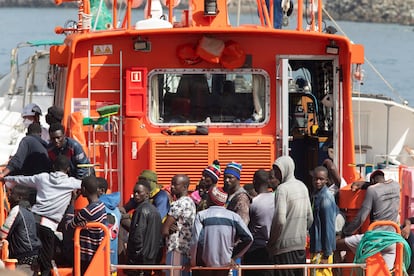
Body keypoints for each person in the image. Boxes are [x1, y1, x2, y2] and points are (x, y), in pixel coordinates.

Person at [1, 155, 82, 276]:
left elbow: (22, 179)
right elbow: (88, 185)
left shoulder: (42, 178)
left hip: (33, 222)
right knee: (46, 265)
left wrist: (5, 178)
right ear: (68, 169)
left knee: (34, 258)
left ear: (53, 167)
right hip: (49, 226)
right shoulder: (72, 183)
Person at [337, 169, 400, 271]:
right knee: (385, 272)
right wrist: (364, 184)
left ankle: (338, 271)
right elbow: (381, 186)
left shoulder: (372, 190)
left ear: (373, 181)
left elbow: (361, 218)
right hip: (391, 241)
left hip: (374, 240)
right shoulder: (396, 186)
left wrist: (346, 232)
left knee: (336, 245)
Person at [190, 186, 253, 276]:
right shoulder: (234, 217)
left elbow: (196, 241)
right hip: (225, 265)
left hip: (205, 267)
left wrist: (194, 262)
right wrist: (233, 257)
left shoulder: (201, 215)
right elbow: (248, 238)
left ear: (210, 199)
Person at [267, 155, 313, 276]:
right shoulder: (302, 186)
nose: (276, 174)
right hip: (300, 247)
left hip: (283, 248)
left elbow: (280, 220)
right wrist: (301, 232)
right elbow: (310, 218)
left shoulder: (282, 189)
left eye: (278, 170)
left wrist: (271, 242)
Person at [65, 175, 107, 275]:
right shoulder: (101, 206)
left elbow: (68, 225)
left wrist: (73, 201)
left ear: (83, 189)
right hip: (97, 254)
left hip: (86, 256)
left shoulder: (87, 212)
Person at [0, 122, 51, 205]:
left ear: (27, 133)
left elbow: (17, 161)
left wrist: (3, 174)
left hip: (31, 185)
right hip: (44, 188)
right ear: (40, 134)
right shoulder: (46, 146)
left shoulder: (27, 140)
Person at [0, 185, 41, 276]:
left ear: (19, 197)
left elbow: (3, 233)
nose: (9, 196)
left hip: (23, 256)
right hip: (33, 253)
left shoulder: (16, 210)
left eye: (11, 194)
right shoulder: (29, 210)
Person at [127, 178, 163, 276]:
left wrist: (133, 260)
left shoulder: (141, 211)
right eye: (134, 192)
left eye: (139, 192)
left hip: (140, 261)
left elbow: (137, 237)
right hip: (151, 259)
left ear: (147, 194)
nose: (136, 195)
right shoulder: (155, 210)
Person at [162, 174, 196, 276]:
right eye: (171, 184)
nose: (172, 187)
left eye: (175, 184)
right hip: (187, 250)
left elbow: (164, 230)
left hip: (176, 248)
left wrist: (165, 227)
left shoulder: (179, 204)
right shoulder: (190, 202)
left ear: (185, 187)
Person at [242, 169, 274, 276]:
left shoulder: (254, 203)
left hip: (255, 251)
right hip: (272, 251)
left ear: (255, 182)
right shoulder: (277, 199)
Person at [309, 166, 338, 276]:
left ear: (326, 180)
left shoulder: (325, 198)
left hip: (322, 250)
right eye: (315, 179)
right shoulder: (316, 195)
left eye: (321, 179)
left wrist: (326, 255)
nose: (318, 181)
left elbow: (328, 227)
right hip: (318, 248)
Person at [97, 177, 121, 271]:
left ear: (102, 191)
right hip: (113, 261)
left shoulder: (98, 208)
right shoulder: (116, 209)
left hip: (100, 261)